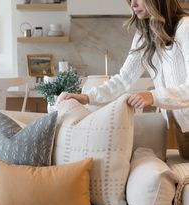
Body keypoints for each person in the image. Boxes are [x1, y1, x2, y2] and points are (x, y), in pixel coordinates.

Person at [65, 0, 189, 160]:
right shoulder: (145, 35)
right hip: (181, 126)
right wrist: (88, 97)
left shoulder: (185, 28)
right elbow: (124, 78)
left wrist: (153, 96)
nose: (133, 4)